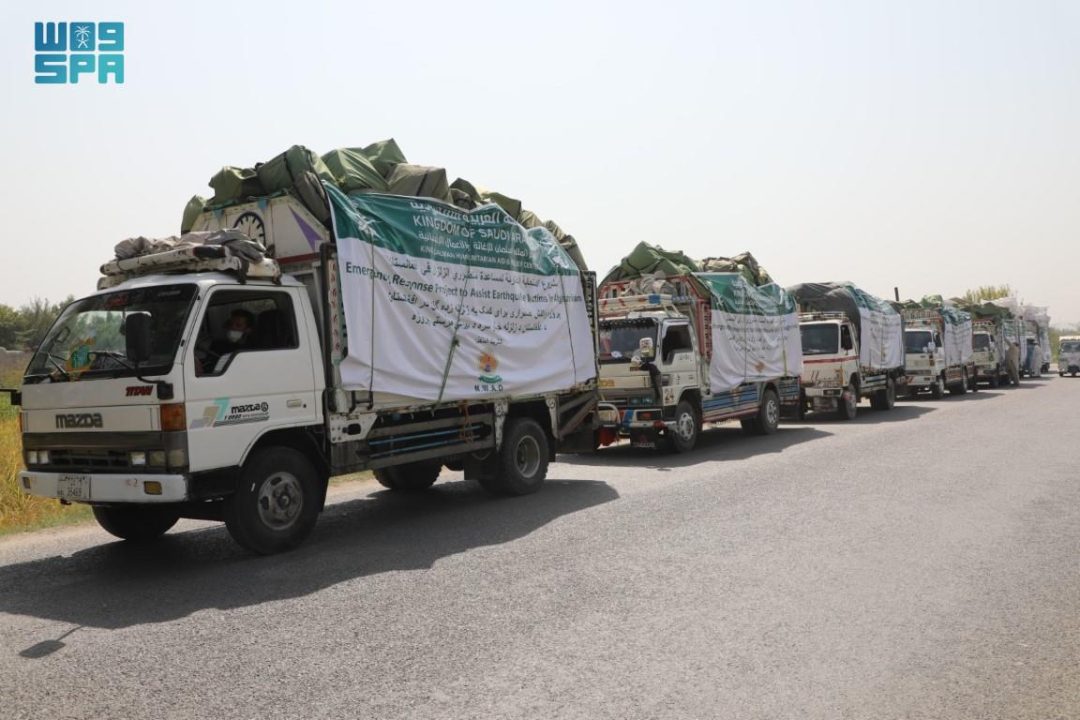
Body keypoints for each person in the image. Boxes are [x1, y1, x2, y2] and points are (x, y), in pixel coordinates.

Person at [196, 308, 255, 375]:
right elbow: (209, 364)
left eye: (238, 325)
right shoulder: (218, 345)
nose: (233, 327)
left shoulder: (252, 351)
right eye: (230, 324)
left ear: (248, 330)